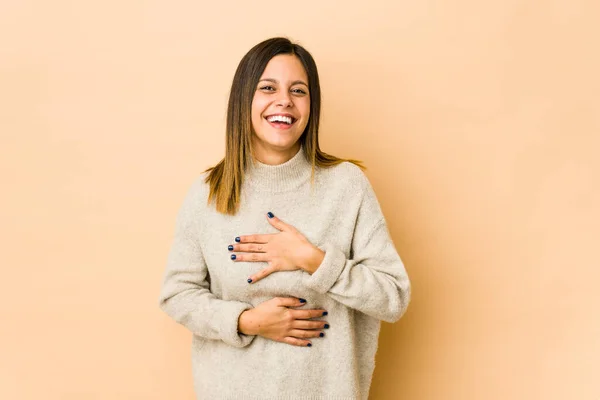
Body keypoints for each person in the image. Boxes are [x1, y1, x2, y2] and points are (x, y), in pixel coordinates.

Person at [158, 37, 411, 400]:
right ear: (244, 100)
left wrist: (313, 260)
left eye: (298, 90)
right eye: (267, 88)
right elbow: (177, 295)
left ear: (312, 105)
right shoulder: (208, 192)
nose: (284, 101)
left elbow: (394, 297)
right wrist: (247, 321)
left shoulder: (346, 186)